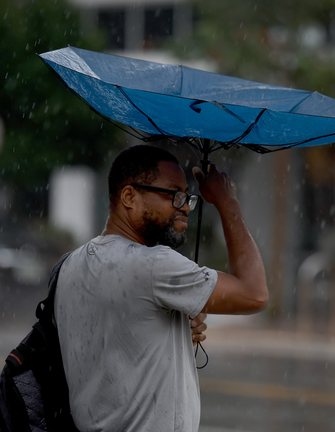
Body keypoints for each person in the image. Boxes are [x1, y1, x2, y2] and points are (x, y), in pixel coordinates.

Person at [54, 144, 268, 431]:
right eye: (174, 195)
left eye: (187, 197)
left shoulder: (69, 265)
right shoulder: (153, 264)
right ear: (129, 196)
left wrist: (173, 335)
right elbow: (255, 294)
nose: (185, 206)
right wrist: (228, 204)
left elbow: (113, 347)